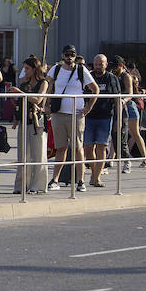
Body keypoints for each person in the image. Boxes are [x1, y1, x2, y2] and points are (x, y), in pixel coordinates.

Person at [47, 45, 99, 191]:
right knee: (60, 148)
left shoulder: (82, 70)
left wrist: (88, 108)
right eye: (67, 54)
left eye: (72, 54)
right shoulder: (56, 69)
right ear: (62, 55)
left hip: (76, 114)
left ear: (75, 56)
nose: (69, 57)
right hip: (58, 114)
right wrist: (46, 104)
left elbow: (95, 89)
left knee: (78, 147)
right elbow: (48, 85)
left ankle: (81, 180)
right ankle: (55, 179)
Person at [8, 55, 50, 194]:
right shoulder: (24, 84)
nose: (25, 71)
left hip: (37, 121)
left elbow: (38, 99)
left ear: (34, 69)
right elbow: (18, 102)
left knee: (38, 154)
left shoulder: (43, 83)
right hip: (23, 120)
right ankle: (21, 185)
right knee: (22, 155)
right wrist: (13, 94)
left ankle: (37, 185)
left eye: (27, 68)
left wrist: (21, 93)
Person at [83, 54, 120, 187]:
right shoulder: (88, 77)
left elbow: (117, 100)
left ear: (106, 64)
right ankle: (94, 172)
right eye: (97, 64)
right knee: (88, 148)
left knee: (101, 147)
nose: (99, 66)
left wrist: (118, 120)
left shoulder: (112, 78)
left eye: (101, 64)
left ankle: (97, 177)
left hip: (105, 117)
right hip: (89, 117)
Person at [113, 56, 146, 170]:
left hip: (129, 106)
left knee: (135, 133)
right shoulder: (113, 76)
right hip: (116, 107)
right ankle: (110, 160)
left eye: (115, 66)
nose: (112, 69)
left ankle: (144, 158)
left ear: (121, 66)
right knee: (116, 133)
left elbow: (130, 93)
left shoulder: (126, 76)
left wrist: (123, 100)